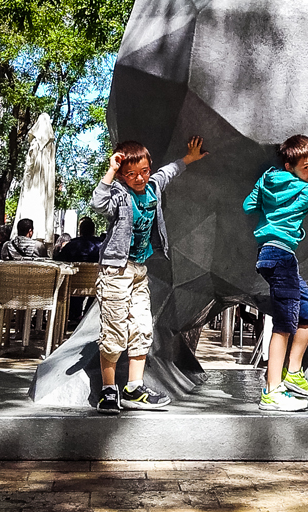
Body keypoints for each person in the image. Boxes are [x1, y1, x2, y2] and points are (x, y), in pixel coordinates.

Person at [91, 135, 209, 415]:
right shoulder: (119, 195)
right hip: (116, 271)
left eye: (144, 171)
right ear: (121, 174)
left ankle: (134, 388)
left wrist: (189, 159)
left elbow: (168, 172)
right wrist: (111, 170)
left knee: (143, 328)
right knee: (114, 332)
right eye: (130, 174)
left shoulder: (153, 186)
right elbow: (97, 204)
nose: (139, 178)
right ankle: (108, 391)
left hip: (139, 271)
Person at [242, 134, 308, 413]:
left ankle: (292, 372)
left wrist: (267, 197)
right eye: (307, 167)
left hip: (267, 255)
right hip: (282, 257)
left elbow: (248, 206)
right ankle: (272, 391)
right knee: (284, 326)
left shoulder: (267, 179)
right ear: (289, 166)